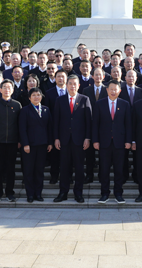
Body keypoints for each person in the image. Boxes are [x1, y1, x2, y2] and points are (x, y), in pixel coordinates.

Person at [53, 75, 92, 203]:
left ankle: (78, 193)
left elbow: (88, 121)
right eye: (70, 83)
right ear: (66, 84)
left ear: (79, 86)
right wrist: (56, 138)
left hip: (80, 140)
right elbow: (56, 121)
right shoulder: (60, 100)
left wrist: (87, 138)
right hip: (64, 140)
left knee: (79, 168)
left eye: (75, 84)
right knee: (64, 167)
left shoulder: (84, 99)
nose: (72, 86)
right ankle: (63, 193)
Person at [92, 80, 132, 204]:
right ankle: (104, 194)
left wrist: (128, 141)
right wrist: (95, 140)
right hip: (104, 142)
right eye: (111, 89)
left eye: (116, 89)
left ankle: (118, 194)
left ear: (119, 91)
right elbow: (95, 124)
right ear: (107, 90)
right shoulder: (99, 104)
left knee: (119, 170)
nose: (113, 91)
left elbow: (128, 125)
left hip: (120, 143)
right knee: (104, 170)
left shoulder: (125, 104)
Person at [19, 88, 52, 203]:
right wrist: (25, 144)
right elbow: (22, 129)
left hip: (42, 145)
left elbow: (49, 128)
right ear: (29, 97)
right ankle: (30, 194)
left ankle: (38, 193)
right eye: (34, 95)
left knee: (39, 171)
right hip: (30, 145)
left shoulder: (46, 110)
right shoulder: (25, 110)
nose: (36, 97)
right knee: (29, 171)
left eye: (38, 95)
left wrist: (50, 143)